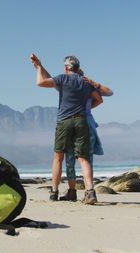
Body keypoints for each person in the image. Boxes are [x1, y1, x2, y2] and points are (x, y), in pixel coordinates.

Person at [30, 53, 102, 204]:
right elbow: (99, 99)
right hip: (82, 121)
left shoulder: (62, 79)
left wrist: (37, 69)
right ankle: (90, 192)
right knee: (83, 159)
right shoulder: (85, 82)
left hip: (64, 121)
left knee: (58, 157)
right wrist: (86, 108)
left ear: (65, 67)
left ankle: (54, 192)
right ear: (77, 67)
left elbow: (41, 82)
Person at [59, 68, 113, 201]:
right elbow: (106, 95)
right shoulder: (88, 86)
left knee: (70, 158)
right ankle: (90, 191)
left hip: (75, 122)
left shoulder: (73, 86)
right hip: (88, 122)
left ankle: (72, 191)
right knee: (87, 160)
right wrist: (95, 85)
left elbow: (110, 93)